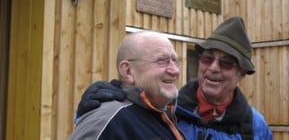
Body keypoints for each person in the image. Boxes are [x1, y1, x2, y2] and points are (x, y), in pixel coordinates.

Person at [75, 17, 273, 139]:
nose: (213, 68)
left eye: (226, 63)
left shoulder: (255, 126)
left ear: (242, 74)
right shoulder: (165, 108)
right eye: (207, 59)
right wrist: (95, 107)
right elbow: (113, 126)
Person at [69, 31, 184, 140]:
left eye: (175, 61)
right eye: (161, 61)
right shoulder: (109, 121)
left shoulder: (168, 114)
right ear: (128, 71)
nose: (175, 71)